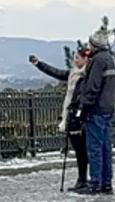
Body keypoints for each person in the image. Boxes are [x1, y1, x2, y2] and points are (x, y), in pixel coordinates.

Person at [30, 49, 91, 192]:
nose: (75, 60)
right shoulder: (73, 74)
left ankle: (84, 179)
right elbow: (57, 73)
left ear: (85, 60)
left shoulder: (86, 77)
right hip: (71, 115)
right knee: (78, 150)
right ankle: (82, 178)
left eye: (77, 58)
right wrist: (39, 64)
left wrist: (78, 109)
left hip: (79, 117)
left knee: (82, 150)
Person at [77, 28, 115, 195]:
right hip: (108, 108)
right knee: (106, 148)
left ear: (93, 45)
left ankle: (95, 183)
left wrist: (82, 107)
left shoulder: (97, 61)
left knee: (94, 148)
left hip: (96, 110)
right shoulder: (109, 59)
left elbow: (92, 87)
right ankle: (106, 183)